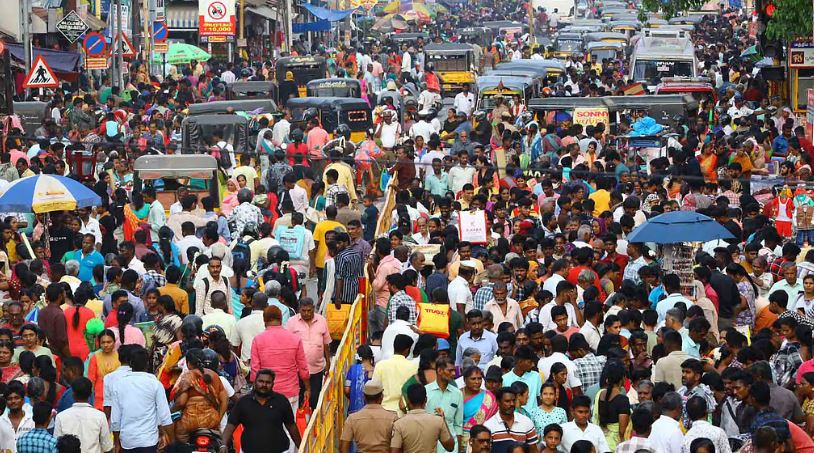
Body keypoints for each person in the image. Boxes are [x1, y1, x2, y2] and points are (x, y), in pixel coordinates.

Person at [108, 346, 174, 453]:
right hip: (149, 441)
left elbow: (115, 418)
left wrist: (116, 442)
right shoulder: (155, 384)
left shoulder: (118, 385)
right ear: (147, 364)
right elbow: (165, 416)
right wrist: (171, 440)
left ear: (130, 364)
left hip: (127, 441)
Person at [222, 368, 301, 453]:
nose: (264, 385)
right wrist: (223, 445)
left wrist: (301, 447)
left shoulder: (281, 401)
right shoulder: (243, 402)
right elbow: (230, 426)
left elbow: (291, 426)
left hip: (280, 450)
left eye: (268, 382)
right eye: (261, 381)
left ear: (273, 384)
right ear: (255, 382)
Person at [250, 306, 310, 415]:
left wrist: (255, 391)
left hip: (266, 393)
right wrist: (307, 388)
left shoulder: (258, 340)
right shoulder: (295, 339)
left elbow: (255, 370)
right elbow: (303, 368)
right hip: (290, 391)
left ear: (264, 320)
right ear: (281, 319)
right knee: (289, 426)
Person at [286, 298, 331, 409]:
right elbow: (287, 344)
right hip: (297, 369)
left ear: (313, 309)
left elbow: (326, 344)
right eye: (304, 310)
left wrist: (328, 363)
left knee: (315, 398)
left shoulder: (321, 320)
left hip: (317, 369)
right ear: (299, 309)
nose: (306, 313)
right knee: (299, 398)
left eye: (309, 310)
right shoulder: (291, 322)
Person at [54, 377, 114, 453]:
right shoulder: (100, 416)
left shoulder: (61, 417)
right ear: (90, 394)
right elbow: (107, 447)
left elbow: (56, 445)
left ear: (73, 394)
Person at [390, 383, 455, 453]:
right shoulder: (438, 421)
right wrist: (443, 420)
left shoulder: (399, 424)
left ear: (408, 400)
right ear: (426, 399)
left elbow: (394, 451)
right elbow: (450, 447)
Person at [340, 379, 398, 453]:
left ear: (364, 397)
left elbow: (343, 447)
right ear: (381, 397)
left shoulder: (352, 418)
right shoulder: (393, 418)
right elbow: (397, 446)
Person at [425, 357, 463, 453]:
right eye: (450, 371)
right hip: (429, 445)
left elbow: (458, 424)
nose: (454, 374)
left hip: (451, 447)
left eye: (454, 371)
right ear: (439, 370)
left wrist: (457, 449)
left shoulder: (457, 393)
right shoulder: (425, 391)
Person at [483, 386, 538, 453]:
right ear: (498, 402)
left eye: (513, 400)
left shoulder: (526, 422)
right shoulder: (488, 426)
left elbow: (533, 450)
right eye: (507, 401)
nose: (512, 404)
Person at [373, 334, 417, 414]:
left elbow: (375, 388)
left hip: (383, 411)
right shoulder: (413, 367)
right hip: (403, 412)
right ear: (407, 350)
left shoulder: (380, 365)